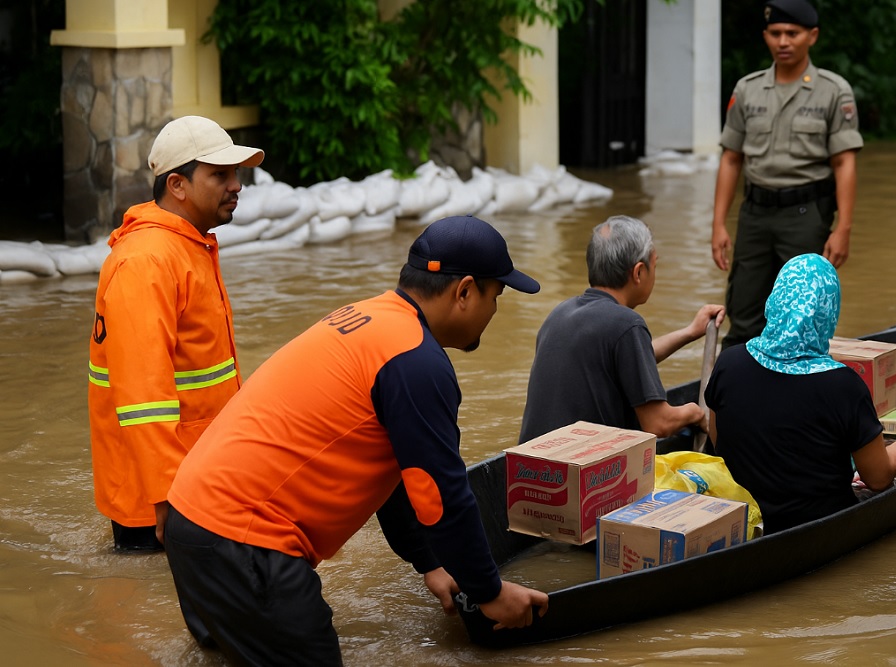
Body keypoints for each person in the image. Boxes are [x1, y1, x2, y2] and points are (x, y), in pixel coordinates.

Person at [163, 215, 549, 665]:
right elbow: (441, 494)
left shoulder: (373, 320)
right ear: (464, 291)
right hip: (245, 545)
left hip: (190, 524)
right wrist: (490, 592)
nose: (495, 312)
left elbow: (399, 470)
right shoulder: (416, 361)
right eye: (496, 295)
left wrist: (431, 562)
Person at [87, 115, 264, 551]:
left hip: (195, 479)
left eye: (235, 173)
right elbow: (143, 397)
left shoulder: (187, 245)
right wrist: (166, 494)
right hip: (159, 499)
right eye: (219, 174)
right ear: (177, 186)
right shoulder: (147, 262)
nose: (236, 185)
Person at [704, 253, 896, 534]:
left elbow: (717, 439)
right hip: (819, 523)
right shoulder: (844, 384)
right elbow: (878, 478)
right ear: (829, 311)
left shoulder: (729, 362)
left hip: (746, 516)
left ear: (775, 301)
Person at [710, 0, 864, 349]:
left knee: (802, 314)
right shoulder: (747, 90)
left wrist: (843, 229)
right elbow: (731, 159)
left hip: (805, 215)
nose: (783, 41)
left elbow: (845, 163)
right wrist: (718, 223)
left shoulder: (833, 91)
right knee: (744, 310)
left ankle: (797, 394)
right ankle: (735, 395)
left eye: (792, 33)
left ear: (812, 36)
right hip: (755, 215)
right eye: (775, 33)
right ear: (765, 36)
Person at [519, 215, 725, 443]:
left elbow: (627, 358)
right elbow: (659, 423)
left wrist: (689, 332)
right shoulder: (626, 323)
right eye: (654, 265)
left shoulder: (559, 314)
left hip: (530, 465)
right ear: (638, 272)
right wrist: (694, 412)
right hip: (581, 470)